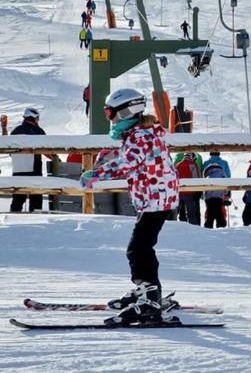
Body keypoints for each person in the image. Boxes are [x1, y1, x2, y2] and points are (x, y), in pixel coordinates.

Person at [82, 88, 179, 325]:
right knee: (143, 246)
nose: (110, 118)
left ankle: (149, 299)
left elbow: (128, 162)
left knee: (138, 249)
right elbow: (136, 156)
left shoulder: (140, 136)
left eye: (110, 113)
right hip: (158, 197)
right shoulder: (142, 133)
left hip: (156, 198)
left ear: (126, 112)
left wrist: (98, 173)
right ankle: (149, 292)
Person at [10, 108, 55, 213]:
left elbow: (10, 151)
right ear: (35, 118)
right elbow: (46, 149)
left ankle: (13, 217)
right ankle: (35, 218)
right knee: (35, 199)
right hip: (34, 169)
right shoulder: (38, 131)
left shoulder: (15, 131)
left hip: (18, 169)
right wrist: (56, 159)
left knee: (18, 198)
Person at [202, 152, 231, 229]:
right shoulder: (224, 163)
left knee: (209, 211)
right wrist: (227, 194)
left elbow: (203, 179)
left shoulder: (206, 163)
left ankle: (208, 227)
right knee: (220, 211)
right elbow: (228, 177)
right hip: (220, 193)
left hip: (209, 195)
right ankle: (221, 226)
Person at [174, 153, 202, 225]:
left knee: (175, 213)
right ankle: (194, 229)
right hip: (190, 193)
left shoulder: (178, 165)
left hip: (179, 192)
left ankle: (172, 227)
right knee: (191, 214)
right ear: (192, 157)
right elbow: (196, 179)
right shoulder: (193, 165)